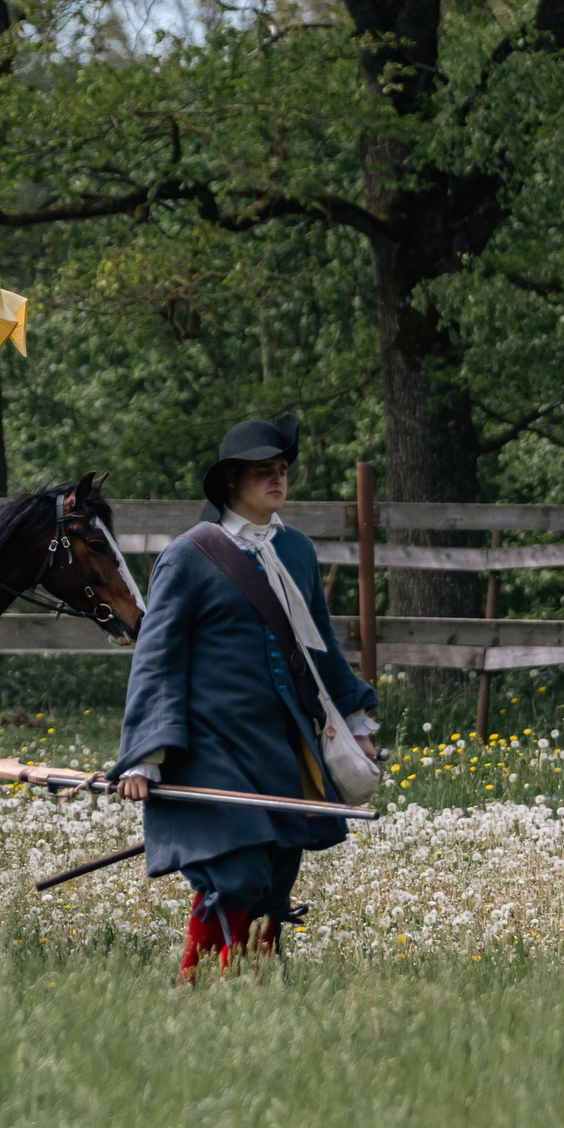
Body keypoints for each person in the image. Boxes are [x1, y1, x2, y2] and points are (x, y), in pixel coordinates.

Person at [114, 415, 380, 980]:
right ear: (231, 481)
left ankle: (254, 995)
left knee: (275, 879)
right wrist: (143, 754)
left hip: (281, 744)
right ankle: (194, 986)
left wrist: (355, 720)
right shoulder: (189, 555)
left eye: (282, 470)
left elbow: (321, 647)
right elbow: (156, 657)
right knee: (234, 876)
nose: (277, 480)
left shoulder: (298, 550)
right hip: (212, 746)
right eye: (263, 471)